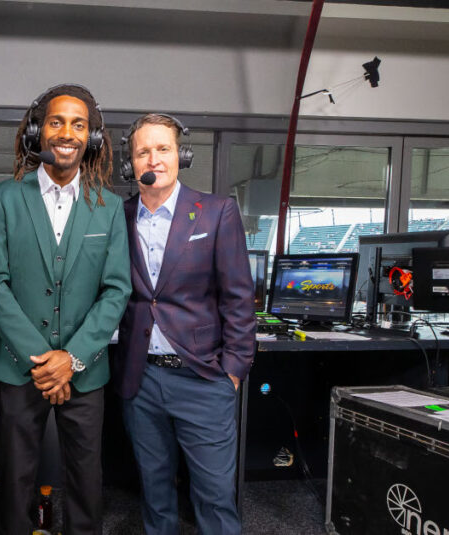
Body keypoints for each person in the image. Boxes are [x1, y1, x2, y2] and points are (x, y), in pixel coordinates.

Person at [0, 84, 131, 535]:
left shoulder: (109, 207)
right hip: (19, 366)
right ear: (37, 131)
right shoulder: (3, 198)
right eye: (56, 121)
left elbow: (116, 290)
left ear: (92, 137)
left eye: (79, 124)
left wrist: (73, 358)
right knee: (15, 477)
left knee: (86, 481)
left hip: (85, 369)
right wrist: (42, 360)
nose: (67, 132)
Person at [113, 113, 256, 535]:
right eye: (143, 151)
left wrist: (233, 371)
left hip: (203, 377)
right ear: (130, 162)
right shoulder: (118, 216)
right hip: (141, 380)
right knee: (154, 494)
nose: (153, 159)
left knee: (214, 496)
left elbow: (238, 297)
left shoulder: (216, 212)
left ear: (181, 156)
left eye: (164, 149)